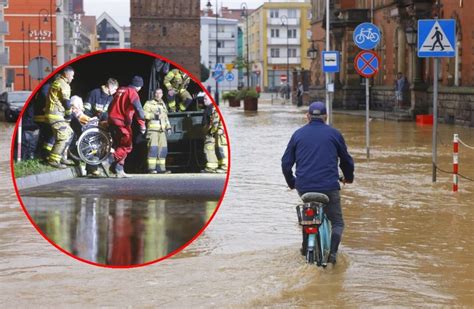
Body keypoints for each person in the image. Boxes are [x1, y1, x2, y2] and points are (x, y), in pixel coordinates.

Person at [281, 101, 354, 264]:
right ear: (325, 117)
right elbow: (347, 162)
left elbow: (286, 163)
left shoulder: (297, 135)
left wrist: (293, 183)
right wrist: (348, 177)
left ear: (307, 117)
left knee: (309, 216)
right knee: (337, 222)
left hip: (304, 187)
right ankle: (333, 254)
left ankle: (305, 245)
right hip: (329, 187)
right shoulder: (335, 134)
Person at [107, 76, 146, 178]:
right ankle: (109, 161)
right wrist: (143, 122)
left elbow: (111, 105)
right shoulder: (132, 92)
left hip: (112, 121)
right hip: (121, 123)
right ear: (139, 87)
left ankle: (119, 170)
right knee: (127, 146)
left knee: (119, 146)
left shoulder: (120, 90)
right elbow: (138, 110)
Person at [83, 78, 119, 176]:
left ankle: (96, 167)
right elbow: (86, 109)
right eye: (115, 89)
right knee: (92, 146)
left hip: (101, 125)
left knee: (102, 146)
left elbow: (107, 113)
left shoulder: (111, 98)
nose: (116, 92)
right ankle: (91, 169)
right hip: (90, 123)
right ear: (109, 87)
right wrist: (92, 119)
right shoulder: (94, 93)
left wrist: (105, 121)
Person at [44, 66, 75, 168]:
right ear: (66, 74)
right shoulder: (64, 84)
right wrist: (69, 114)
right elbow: (66, 101)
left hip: (55, 113)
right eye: (72, 76)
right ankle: (53, 160)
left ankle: (60, 156)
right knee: (63, 136)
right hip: (55, 114)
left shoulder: (58, 81)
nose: (72, 78)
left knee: (70, 133)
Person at [143, 88, 172, 174]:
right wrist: (153, 116)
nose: (158, 95)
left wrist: (168, 127)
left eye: (160, 93)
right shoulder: (149, 104)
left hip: (162, 131)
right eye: (156, 93)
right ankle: (151, 169)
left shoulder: (163, 104)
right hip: (153, 131)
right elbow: (143, 114)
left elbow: (165, 117)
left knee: (163, 150)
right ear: (154, 94)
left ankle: (161, 169)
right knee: (153, 149)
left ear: (162, 94)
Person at [201, 93, 227, 173]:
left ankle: (213, 168)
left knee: (210, 149)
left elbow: (215, 123)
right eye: (204, 98)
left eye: (206, 99)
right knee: (218, 149)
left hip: (215, 133)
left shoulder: (211, 109)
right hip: (218, 134)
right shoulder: (213, 108)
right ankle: (218, 167)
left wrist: (210, 132)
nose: (204, 100)